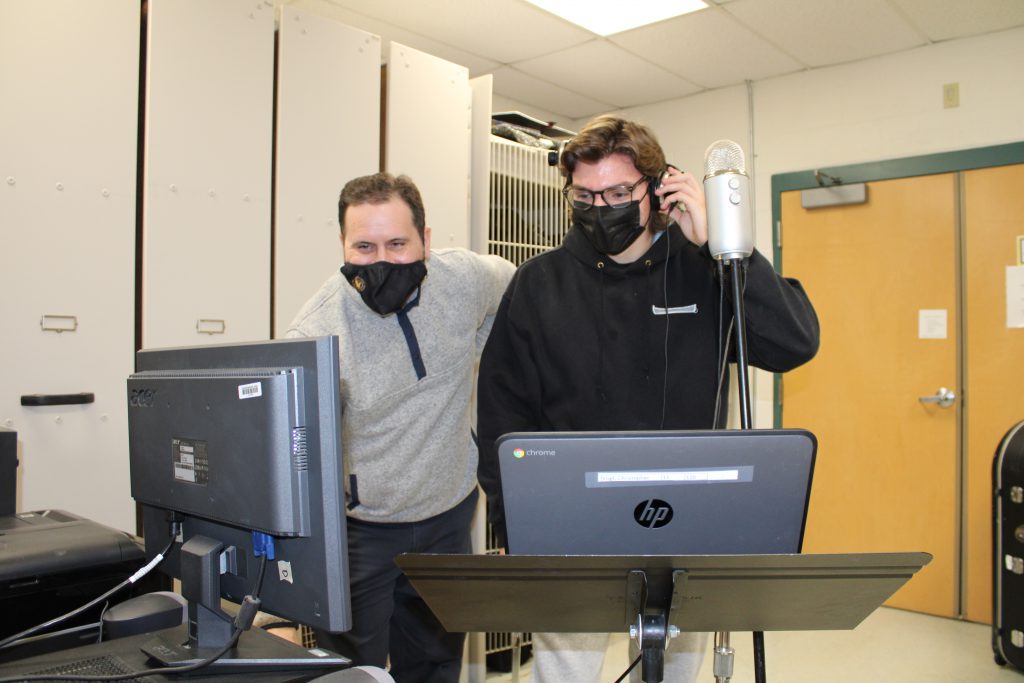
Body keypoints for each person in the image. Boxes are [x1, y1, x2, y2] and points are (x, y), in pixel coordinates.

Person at [476, 115, 820, 682]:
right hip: (570, 521)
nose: (600, 207)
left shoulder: (707, 271)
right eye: (584, 195)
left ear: (658, 190)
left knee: (673, 672)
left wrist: (725, 247)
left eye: (617, 193)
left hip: (686, 519)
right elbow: (502, 410)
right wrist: (518, 526)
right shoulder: (539, 285)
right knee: (565, 669)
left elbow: (794, 344)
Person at [286, 172, 515, 682]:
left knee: (435, 664)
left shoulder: (467, 279)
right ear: (342, 245)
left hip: (449, 517)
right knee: (352, 671)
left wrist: (483, 352)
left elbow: (516, 294)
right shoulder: (316, 333)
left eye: (397, 243)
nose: (382, 260)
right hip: (360, 533)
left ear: (426, 240)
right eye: (363, 246)